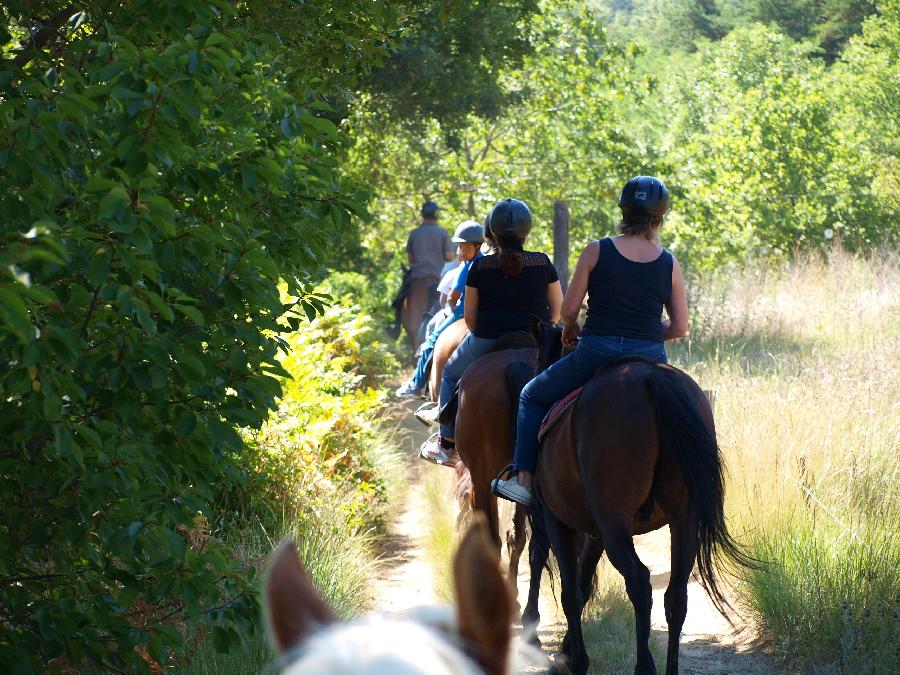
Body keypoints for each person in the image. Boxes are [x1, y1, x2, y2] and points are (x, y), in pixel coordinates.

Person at [491, 176, 689, 505]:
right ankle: (688, 486)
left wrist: (571, 327)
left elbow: (568, 309)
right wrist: (648, 334)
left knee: (530, 395)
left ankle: (524, 480)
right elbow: (680, 327)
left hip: (597, 351)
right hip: (650, 355)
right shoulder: (669, 262)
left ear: (623, 213)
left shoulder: (598, 250)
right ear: (659, 219)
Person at [418, 199, 563, 465]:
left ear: (492, 233)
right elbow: (557, 310)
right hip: (536, 340)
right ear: (526, 231)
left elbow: (471, 319)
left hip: (489, 337)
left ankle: (447, 442)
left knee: (450, 372)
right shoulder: (542, 262)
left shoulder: (480, 267)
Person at [395, 220, 485, 398]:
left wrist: (455, 311)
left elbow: (452, 297)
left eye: (465, 248)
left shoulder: (466, 267)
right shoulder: (487, 262)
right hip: (485, 313)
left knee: (430, 342)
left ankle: (416, 384)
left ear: (477, 246)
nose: (460, 252)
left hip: (461, 313)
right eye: (460, 248)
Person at [390, 201, 454, 336]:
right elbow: (449, 257)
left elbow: (410, 258)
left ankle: (395, 328)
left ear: (423, 215)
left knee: (399, 299)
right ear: (436, 215)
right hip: (437, 278)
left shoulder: (414, 233)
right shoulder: (442, 233)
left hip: (416, 277)